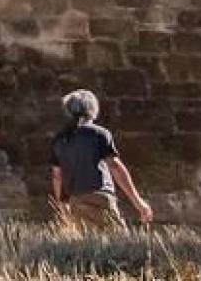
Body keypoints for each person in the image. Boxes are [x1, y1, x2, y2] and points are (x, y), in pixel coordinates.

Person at [49, 88, 153, 230]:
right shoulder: (99, 134)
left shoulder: (59, 140)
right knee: (117, 245)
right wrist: (138, 203)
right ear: (92, 110)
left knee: (86, 246)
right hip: (100, 196)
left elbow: (57, 176)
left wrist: (62, 206)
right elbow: (115, 167)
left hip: (75, 199)